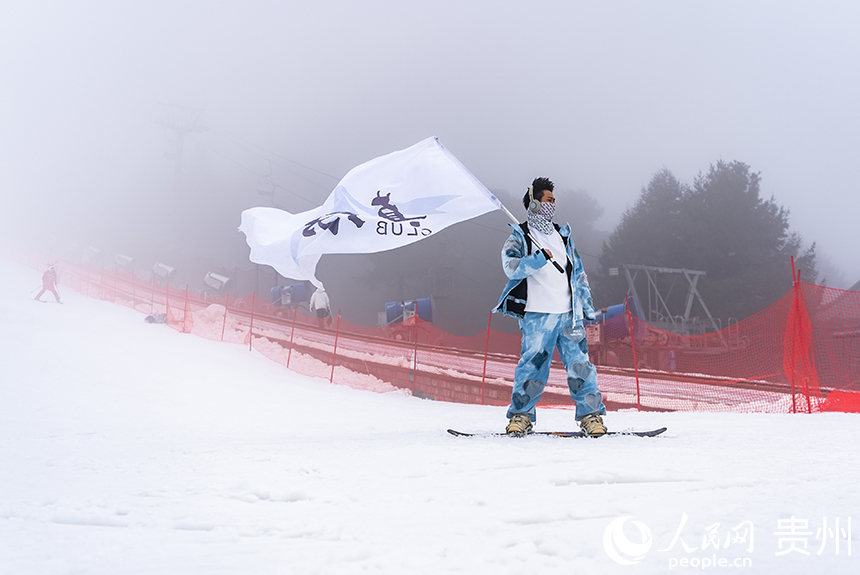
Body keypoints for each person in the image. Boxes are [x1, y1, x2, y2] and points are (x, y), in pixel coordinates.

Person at [493, 177, 607, 435]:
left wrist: (586, 308)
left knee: (581, 366)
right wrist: (535, 259)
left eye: (554, 201)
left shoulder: (563, 235)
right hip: (538, 315)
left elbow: (578, 272)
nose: (552, 205)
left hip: (569, 315)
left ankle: (591, 417)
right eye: (547, 200)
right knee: (532, 367)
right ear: (533, 203)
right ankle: (521, 416)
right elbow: (511, 268)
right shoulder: (520, 235)